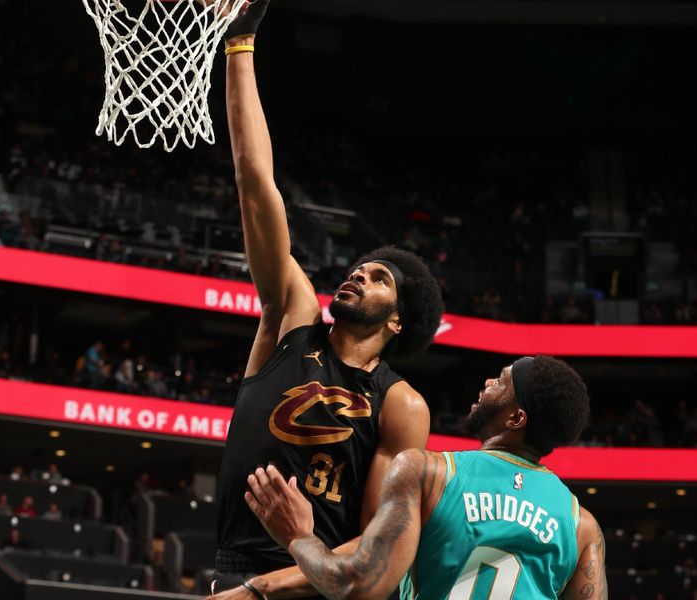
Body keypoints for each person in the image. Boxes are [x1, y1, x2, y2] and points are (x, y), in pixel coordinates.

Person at [211, 0, 444, 596]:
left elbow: (374, 547)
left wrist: (271, 583)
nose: (360, 275)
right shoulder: (293, 317)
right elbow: (254, 181)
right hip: (231, 574)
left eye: (379, 278)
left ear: (398, 321)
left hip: (305, 584)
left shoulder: (400, 404)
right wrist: (240, 45)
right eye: (360, 268)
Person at [246, 355, 608, 600]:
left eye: (501, 381)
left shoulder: (427, 472)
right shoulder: (581, 526)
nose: (487, 382)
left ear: (516, 419)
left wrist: (299, 537)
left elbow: (358, 584)